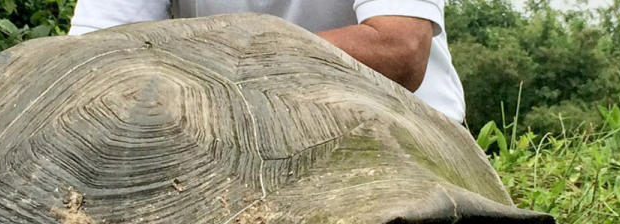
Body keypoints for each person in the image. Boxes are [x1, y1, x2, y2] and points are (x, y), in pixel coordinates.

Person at [68, 0, 465, 123]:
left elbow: (399, 50)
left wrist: (216, 58)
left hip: (401, 129)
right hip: (225, 134)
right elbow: (92, 59)